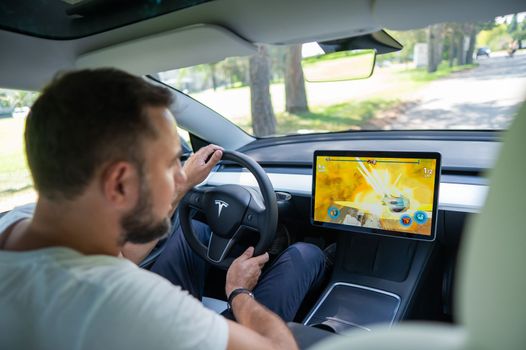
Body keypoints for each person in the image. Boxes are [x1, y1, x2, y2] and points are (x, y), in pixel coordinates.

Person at [0, 68, 326, 349]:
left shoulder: (19, 222)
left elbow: (122, 257)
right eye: (172, 163)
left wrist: (182, 187)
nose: (181, 175)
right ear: (119, 184)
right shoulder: (126, 303)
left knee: (194, 230)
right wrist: (238, 291)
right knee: (306, 256)